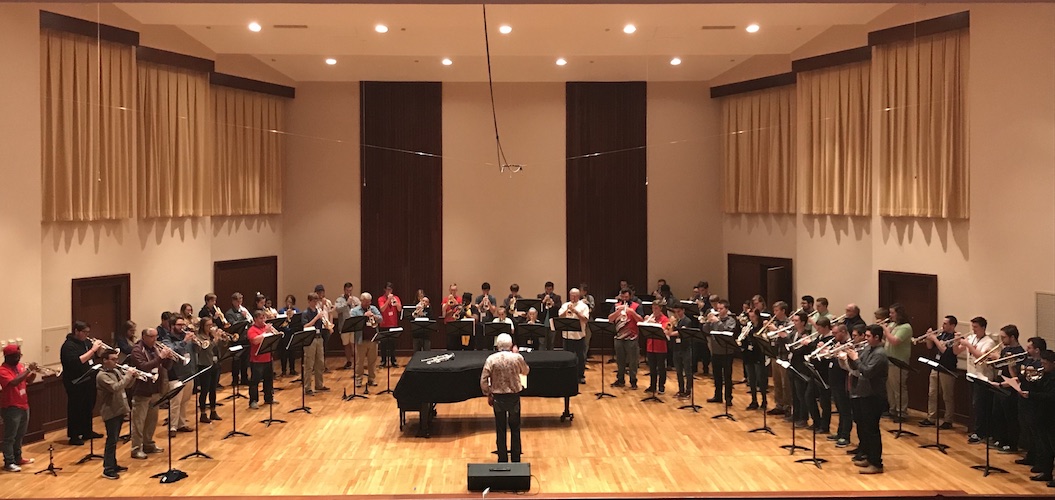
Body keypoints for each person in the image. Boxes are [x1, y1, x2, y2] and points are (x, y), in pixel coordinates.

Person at [1003, 349, 1055, 487]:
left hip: (1051, 415)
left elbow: (1051, 397)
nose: (1043, 366)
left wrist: (1031, 395)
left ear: (1053, 363)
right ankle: (1046, 472)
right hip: (1042, 414)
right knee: (1045, 446)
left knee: (1052, 445)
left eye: (1045, 363)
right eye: (1042, 363)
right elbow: (1037, 387)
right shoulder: (1044, 374)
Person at [845, 324, 889, 474]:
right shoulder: (868, 349)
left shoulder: (880, 354)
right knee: (865, 427)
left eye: (869, 336)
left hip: (874, 396)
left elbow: (867, 371)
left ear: (877, 337)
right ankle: (869, 458)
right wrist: (850, 356)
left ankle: (876, 463)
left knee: (872, 430)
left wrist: (855, 359)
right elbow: (857, 366)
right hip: (864, 393)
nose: (866, 338)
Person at [480, 333, 529, 463]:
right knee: (515, 428)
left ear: (497, 346)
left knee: (500, 428)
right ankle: (516, 458)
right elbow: (526, 371)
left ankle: (502, 458)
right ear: (511, 345)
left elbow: (483, 379)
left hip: (498, 397)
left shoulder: (491, 359)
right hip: (513, 396)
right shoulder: (517, 358)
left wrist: (488, 393)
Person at [129, 328, 174, 460]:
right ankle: (136, 449)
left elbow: (166, 366)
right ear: (144, 337)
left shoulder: (155, 348)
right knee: (139, 422)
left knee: (152, 421)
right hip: (142, 390)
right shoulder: (137, 350)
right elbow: (144, 366)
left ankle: (148, 444)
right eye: (152, 337)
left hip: (155, 389)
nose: (155, 339)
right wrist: (160, 357)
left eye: (156, 336)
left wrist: (168, 358)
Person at [95, 349, 138, 479]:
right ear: (104, 360)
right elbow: (115, 387)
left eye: (116, 359)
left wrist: (133, 377)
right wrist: (128, 375)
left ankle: (113, 464)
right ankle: (107, 469)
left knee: (115, 439)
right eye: (113, 359)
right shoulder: (102, 376)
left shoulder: (115, 371)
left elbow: (126, 386)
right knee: (111, 440)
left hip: (120, 408)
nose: (116, 362)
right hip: (110, 411)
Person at [60, 320, 103, 446]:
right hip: (75, 381)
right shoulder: (68, 346)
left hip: (88, 379)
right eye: (84, 332)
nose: (87, 335)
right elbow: (77, 362)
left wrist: (98, 350)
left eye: (88, 332)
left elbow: (94, 357)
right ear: (76, 331)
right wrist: (93, 350)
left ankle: (87, 431)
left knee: (88, 405)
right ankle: (74, 435)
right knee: (76, 408)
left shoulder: (86, 342)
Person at [961, 316, 997, 444]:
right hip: (971, 375)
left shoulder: (989, 342)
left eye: (975, 327)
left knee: (981, 406)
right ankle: (975, 429)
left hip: (983, 377)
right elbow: (956, 350)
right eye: (972, 327)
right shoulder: (972, 338)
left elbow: (981, 357)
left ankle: (981, 432)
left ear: (983, 328)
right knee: (974, 406)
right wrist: (957, 342)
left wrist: (969, 345)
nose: (973, 330)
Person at [919, 316, 960, 429]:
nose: (943, 325)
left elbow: (945, 351)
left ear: (952, 325)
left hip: (947, 369)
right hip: (935, 367)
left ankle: (948, 420)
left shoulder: (955, 337)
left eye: (946, 323)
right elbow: (929, 346)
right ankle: (931, 418)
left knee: (947, 396)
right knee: (932, 394)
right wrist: (929, 338)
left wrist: (934, 338)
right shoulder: (942, 334)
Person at [1, 344, 36, 472]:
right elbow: (13, 382)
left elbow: (29, 381)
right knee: (10, 436)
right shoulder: (3, 370)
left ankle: (18, 457)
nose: (19, 358)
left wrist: (33, 372)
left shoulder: (20, 367)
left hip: (23, 404)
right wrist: (28, 370)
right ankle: (8, 462)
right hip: (11, 407)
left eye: (19, 355)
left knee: (20, 435)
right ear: (8, 357)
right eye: (16, 356)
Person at [992, 324, 1025, 454]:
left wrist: (1008, 362)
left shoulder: (1020, 353)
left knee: (1010, 417)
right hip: (999, 384)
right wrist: (995, 360)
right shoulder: (1005, 349)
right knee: (998, 414)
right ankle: (1001, 440)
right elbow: (999, 366)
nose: (1001, 340)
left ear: (1012, 337)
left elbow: (1016, 375)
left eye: (1004, 337)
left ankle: (1012, 444)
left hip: (1010, 388)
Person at [163, 316, 195, 436]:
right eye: (179, 325)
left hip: (188, 372)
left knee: (185, 401)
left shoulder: (186, 336)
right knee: (175, 402)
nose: (182, 327)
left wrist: (195, 342)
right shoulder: (167, 339)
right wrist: (184, 341)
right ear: (172, 326)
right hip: (175, 375)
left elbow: (195, 351)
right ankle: (172, 427)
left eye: (183, 325)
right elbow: (172, 352)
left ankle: (181, 424)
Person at [881, 303, 913, 422]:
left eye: (892, 313)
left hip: (899, 361)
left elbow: (895, 341)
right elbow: (887, 341)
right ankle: (892, 409)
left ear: (899, 314)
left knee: (898, 388)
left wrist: (885, 330)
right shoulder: (893, 324)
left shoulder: (905, 327)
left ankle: (902, 412)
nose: (890, 315)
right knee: (889, 388)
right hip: (888, 360)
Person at [704, 299, 739, 406]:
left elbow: (727, 331)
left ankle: (728, 398)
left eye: (721, 309)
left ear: (727, 309)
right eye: (718, 309)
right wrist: (707, 322)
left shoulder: (731, 320)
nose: (719, 311)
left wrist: (717, 322)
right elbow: (705, 330)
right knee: (717, 375)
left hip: (727, 352)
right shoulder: (715, 319)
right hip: (715, 351)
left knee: (727, 376)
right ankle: (717, 395)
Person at [805, 317, 834, 434]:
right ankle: (817, 421)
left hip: (825, 374)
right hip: (815, 371)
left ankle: (824, 426)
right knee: (809, 396)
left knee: (824, 401)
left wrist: (822, 349)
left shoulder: (831, 339)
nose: (818, 330)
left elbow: (829, 356)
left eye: (820, 328)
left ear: (826, 327)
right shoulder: (820, 337)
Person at [826, 324, 854, 447]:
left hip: (843, 382)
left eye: (836, 333)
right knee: (840, 409)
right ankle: (839, 432)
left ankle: (845, 435)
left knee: (845, 410)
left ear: (843, 332)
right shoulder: (838, 343)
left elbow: (849, 366)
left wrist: (840, 354)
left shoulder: (849, 345)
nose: (833, 335)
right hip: (835, 381)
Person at [608, 288, 642, 389]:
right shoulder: (616, 306)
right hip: (619, 337)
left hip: (632, 337)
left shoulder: (636, 306)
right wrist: (618, 312)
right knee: (620, 360)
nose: (624, 299)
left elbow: (641, 320)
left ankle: (633, 381)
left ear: (630, 297)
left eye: (626, 297)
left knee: (633, 361)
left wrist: (632, 313)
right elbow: (610, 319)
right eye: (622, 297)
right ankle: (620, 379)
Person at [558, 288, 590, 384]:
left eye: (575, 295)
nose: (573, 297)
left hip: (579, 336)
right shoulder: (565, 305)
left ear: (579, 296)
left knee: (580, 357)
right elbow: (560, 317)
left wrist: (575, 311)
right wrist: (567, 310)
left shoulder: (584, 306)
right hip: (567, 335)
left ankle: (580, 375)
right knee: (567, 356)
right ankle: (567, 374)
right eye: (572, 295)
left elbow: (585, 319)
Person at [350, 293, 382, 389]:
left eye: (370, 302)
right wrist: (364, 316)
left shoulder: (373, 308)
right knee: (360, 362)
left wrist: (374, 316)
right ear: (362, 301)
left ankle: (372, 379)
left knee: (372, 361)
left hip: (373, 339)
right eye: (366, 302)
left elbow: (381, 318)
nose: (368, 303)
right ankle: (358, 380)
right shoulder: (355, 311)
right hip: (361, 340)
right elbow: (353, 322)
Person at [766, 302, 792, 417]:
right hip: (774, 354)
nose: (774, 313)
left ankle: (787, 406)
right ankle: (779, 404)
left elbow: (788, 338)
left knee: (785, 383)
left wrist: (775, 329)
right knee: (776, 381)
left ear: (783, 311)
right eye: (774, 310)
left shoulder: (789, 323)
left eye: (777, 310)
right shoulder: (774, 322)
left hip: (784, 356)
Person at [246, 310, 276, 410]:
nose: (263, 320)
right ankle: (253, 401)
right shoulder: (252, 329)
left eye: (264, 318)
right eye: (260, 318)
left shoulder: (266, 328)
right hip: (257, 360)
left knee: (269, 379)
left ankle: (269, 398)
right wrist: (265, 332)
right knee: (255, 382)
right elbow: (255, 340)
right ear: (255, 319)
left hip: (268, 358)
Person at [194, 317, 222, 423]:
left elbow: (218, 347)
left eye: (211, 325)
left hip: (215, 364)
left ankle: (213, 411)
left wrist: (221, 338)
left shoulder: (211, 335)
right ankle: (203, 413)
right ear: (202, 326)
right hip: (204, 364)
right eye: (207, 325)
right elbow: (206, 348)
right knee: (205, 390)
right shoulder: (199, 337)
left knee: (213, 389)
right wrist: (215, 339)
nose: (210, 327)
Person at [300, 293, 329, 395]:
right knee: (309, 364)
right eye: (313, 301)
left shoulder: (318, 311)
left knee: (320, 363)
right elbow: (306, 326)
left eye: (316, 301)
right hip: (310, 339)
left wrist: (326, 322)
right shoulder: (305, 313)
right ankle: (307, 387)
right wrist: (317, 318)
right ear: (309, 301)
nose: (315, 303)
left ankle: (319, 384)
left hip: (319, 338)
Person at [742, 309, 768, 410]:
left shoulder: (762, 327)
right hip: (749, 355)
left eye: (753, 316)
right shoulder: (749, 326)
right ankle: (754, 400)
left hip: (758, 354)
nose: (751, 319)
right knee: (751, 379)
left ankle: (764, 400)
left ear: (757, 316)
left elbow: (763, 341)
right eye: (750, 317)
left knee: (760, 379)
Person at [225, 293, 252, 386]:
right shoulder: (229, 313)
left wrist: (248, 318)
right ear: (233, 301)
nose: (239, 302)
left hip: (245, 337)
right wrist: (243, 317)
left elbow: (250, 321)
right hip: (236, 338)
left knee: (245, 359)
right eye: (237, 300)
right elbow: (233, 325)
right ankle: (235, 379)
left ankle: (244, 378)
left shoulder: (244, 310)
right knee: (236, 360)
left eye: (240, 300)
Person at [643, 301, 670, 395]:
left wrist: (654, 324)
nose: (654, 311)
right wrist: (645, 323)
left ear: (661, 309)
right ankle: (652, 385)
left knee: (661, 368)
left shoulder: (665, 319)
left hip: (661, 347)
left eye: (656, 308)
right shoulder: (652, 317)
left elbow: (666, 331)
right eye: (653, 308)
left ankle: (661, 386)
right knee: (652, 368)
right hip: (650, 346)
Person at [668, 302, 693, 399]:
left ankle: (688, 391)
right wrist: (670, 324)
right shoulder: (675, 321)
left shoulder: (687, 321)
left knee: (687, 371)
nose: (677, 314)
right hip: (676, 348)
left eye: (679, 311)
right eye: (675, 312)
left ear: (683, 310)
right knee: (678, 371)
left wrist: (671, 332)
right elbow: (668, 330)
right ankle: (681, 389)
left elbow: (680, 333)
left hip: (685, 348)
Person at [334, 282, 361, 370]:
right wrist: (346, 303)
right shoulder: (339, 300)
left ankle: (357, 362)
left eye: (350, 290)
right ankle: (349, 361)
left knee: (353, 344)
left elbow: (360, 309)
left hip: (353, 325)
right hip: (344, 325)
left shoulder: (355, 299)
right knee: (346, 345)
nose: (349, 292)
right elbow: (337, 310)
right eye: (347, 290)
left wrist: (355, 304)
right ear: (344, 290)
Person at [378, 282, 402, 368]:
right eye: (388, 289)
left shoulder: (396, 298)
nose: (389, 291)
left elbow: (399, 309)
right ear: (385, 290)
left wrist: (396, 303)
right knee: (383, 344)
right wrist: (388, 300)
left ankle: (393, 360)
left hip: (393, 324)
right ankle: (383, 361)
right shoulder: (381, 299)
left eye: (390, 289)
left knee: (393, 344)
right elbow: (382, 309)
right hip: (384, 325)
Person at [277, 294, 300, 377]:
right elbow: (279, 323)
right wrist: (286, 316)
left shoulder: (296, 311)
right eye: (287, 301)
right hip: (284, 334)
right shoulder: (281, 311)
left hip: (292, 333)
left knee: (292, 352)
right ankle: (283, 370)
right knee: (283, 353)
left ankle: (292, 369)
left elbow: (298, 322)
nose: (288, 303)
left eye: (290, 302)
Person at [537, 282, 562, 350]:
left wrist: (553, 303)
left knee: (551, 342)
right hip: (543, 322)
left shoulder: (557, 297)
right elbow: (537, 308)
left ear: (553, 289)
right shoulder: (540, 296)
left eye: (550, 289)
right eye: (547, 289)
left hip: (552, 323)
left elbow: (559, 308)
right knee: (542, 342)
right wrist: (544, 301)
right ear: (545, 289)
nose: (549, 291)